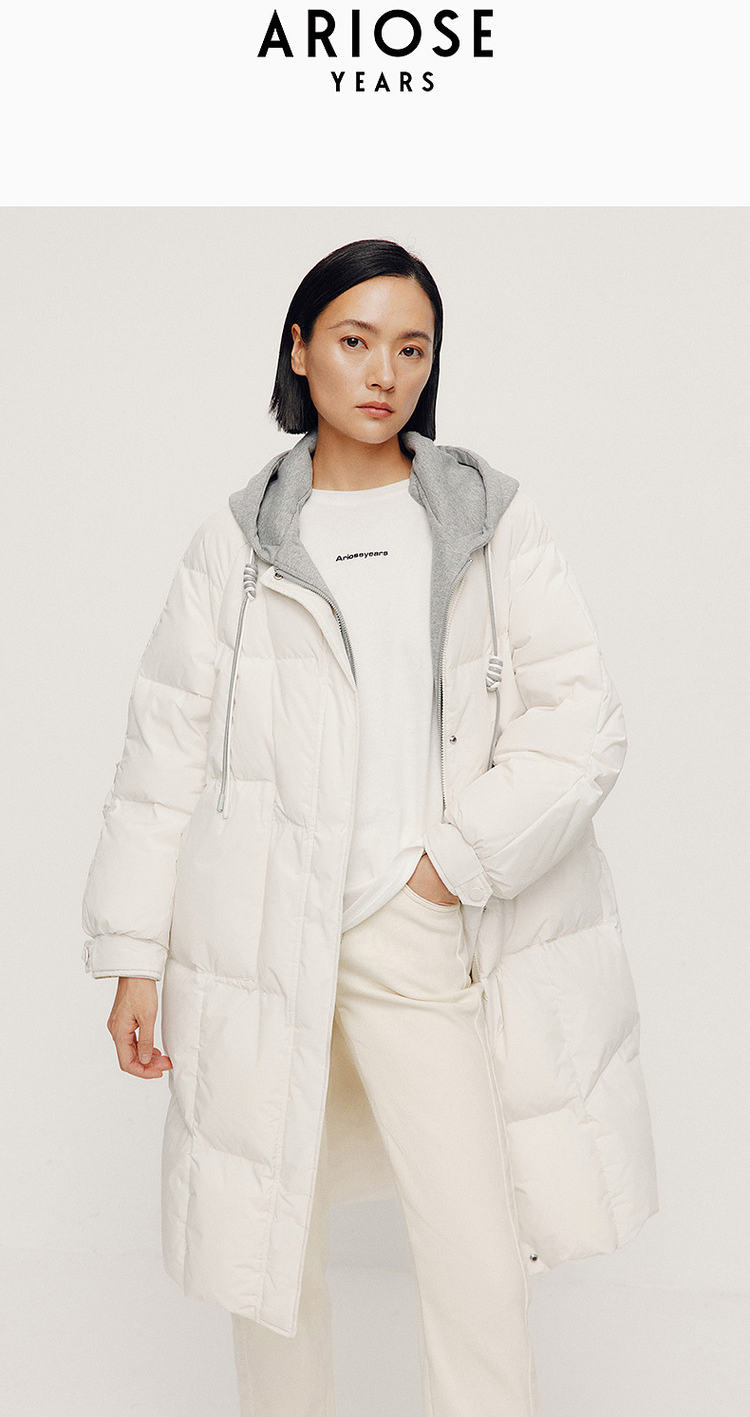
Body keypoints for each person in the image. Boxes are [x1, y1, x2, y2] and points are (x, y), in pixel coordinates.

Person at [82, 237, 658, 1416]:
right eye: (355, 340)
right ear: (300, 349)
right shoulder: (239, 543)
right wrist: (134, 952)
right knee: (270, 1251)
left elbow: (581, 721)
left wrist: (449, 864)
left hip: (413, 920)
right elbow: (163, 754)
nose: (385, 371)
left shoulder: (487, 519)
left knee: (476, 1246)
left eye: (412, 347)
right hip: (259, 931)